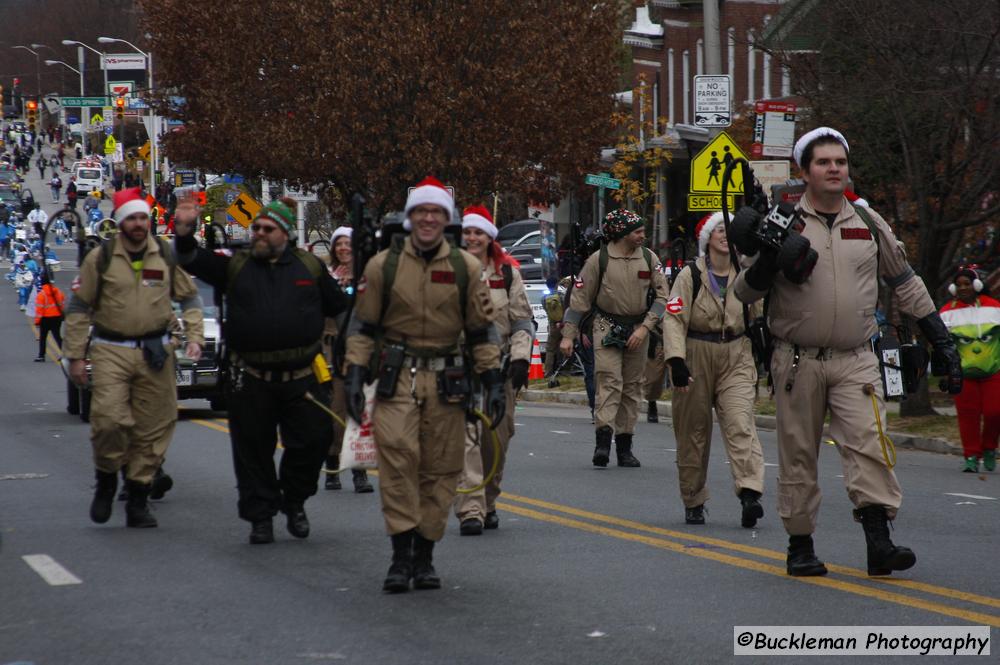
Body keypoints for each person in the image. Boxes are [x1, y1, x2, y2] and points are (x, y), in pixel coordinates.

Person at [731, 127, 963, 577]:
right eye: (824, 162)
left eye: (840, 161)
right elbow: (743, 292)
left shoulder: (868, 221)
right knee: (799, 453)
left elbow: (904, 280)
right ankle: (801, 545)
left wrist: (941, 337)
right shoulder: (782, 221)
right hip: (798, 359)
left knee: (869, 446)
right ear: (805, 171)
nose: (834, 168)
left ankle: (880, 542)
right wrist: (767, 259)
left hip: (856, 357)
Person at [344, 176, 503, 593]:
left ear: (445, 220)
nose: (429, 218)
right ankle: (400, 556)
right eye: (421, 212)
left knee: (442, 469)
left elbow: (483, 331)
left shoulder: (466, 268)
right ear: (411, 218)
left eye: (436, 212)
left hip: (448, 385)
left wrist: (493, 381)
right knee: (397, 464)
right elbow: (362, 325)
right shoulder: (384, 266)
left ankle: (425, 553)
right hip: (397, 380)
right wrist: (356, 373)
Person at [173, 196, 348, 545]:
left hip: (302, 376)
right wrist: (184, 228)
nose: (259, 234)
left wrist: (353, 350)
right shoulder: (235, 266)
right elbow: (190, 257)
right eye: (256, 228)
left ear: (284, 233)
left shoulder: (310, 267)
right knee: (252, 450)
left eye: (268, 229)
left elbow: (342, 309)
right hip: (250, 377)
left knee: (314, 440)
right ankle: (261, 517)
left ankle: (294, 500)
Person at [64, 188, 205, 528]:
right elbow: (80, 307)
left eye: (144, 217)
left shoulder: (165, 256)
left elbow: (190, 299)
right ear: (122, 222)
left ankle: (139, 498)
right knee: (109, 421)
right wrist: (75, 357)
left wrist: (195, 338)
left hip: (155, 352)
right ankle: (107, 479)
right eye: (133, 218)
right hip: (111, 349)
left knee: (153, 428)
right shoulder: (101, 258)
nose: (139, 224)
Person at [663, 212, 765, 527]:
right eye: (718, 229)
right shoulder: (690, 276)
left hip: (736, 353)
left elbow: (761, 315)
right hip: (696, 354)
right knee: (693, 432)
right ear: (708, 238)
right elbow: (673, 318)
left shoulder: (747, 274)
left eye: (729, 229)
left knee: (740, 423)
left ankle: (750, 492)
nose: (724, 234)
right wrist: (676, 361)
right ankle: (693, 499)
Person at [559, 209, 669, 468]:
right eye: (637, 231)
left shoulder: (649, 258)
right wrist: (567, 336)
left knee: (632, 387)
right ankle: (602, 444)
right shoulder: (599, 260)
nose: (643, 235)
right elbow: (579, 300)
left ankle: (625, 447)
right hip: (606, 326)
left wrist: (645, 329)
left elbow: (664, 297)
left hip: (639, 329)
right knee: (609, 382)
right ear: (621, 234)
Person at [453, 206, 533, 535]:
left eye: (478, 232)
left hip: (499, 368)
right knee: (465, 438)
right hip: (459, 366)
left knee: (496, 438)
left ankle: (488, 499)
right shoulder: (448, 270)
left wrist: (520, 359)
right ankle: (470, 509)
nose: (472, 238)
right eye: (467, 232)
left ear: (489, 237)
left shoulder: (508, 273)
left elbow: (521, 321)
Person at [321, 225, 373, 493]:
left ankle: (360, 471)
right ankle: (332, 467)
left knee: (361, 413)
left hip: (362, 352)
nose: (343, 248)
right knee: (337, 411)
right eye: (339, 244)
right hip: (333, 352)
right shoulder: (326, 277)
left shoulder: (367, 278)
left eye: (348, 243)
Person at [939, 266, 1000, 472]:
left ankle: (990, 447)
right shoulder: (947, 312)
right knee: (968, 416)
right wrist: (947, 371)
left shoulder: (994, 307)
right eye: (959, 285)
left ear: (977, 285)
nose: (963, 288)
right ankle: (971, 457)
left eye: (967, 284)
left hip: (993, 371)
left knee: (994, 412)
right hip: (963, 375)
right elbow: (941, 344)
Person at [33, 274, 65, 361]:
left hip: (45, 319)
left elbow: (39, 310)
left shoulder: (41, 295)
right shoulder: (58, 292)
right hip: (57, 317)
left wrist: (37, 321)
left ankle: (41, 356)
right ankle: (65, 355)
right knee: (57, 336)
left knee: (43, 338)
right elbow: (62, 304)